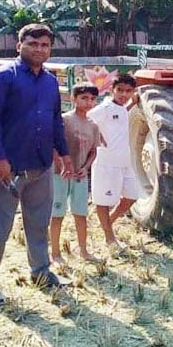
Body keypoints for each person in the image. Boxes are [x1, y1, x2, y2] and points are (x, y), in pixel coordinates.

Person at [0, 23, 73, 306]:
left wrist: (62, 153)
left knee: (39, 223)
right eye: (33, 44)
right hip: (8, 167)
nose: (39, 49)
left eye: (45, 45)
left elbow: (55, 120)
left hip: (40, 166)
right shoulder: (3, 77)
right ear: (19, 46)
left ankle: (40, 271)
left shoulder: (51, 81)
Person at [88, 73, 140, 255]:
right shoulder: (104, 108)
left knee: (133, 196)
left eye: (128, 91)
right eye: (120, 90)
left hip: (124, 162)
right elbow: (86, 118)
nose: (123, 94)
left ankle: (108, 222)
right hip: (105, 163)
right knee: (103, 202)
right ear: (112, 90)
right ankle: (110, 239)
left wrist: (133, 103)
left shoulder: (122, 108)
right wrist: (96, 136)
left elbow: (122, 112)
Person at [50, 83, 102, 263]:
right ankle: (55, 253)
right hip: (60, 175)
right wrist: (62, 164)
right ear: (73, 99)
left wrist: (85, 168)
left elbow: (93, 151)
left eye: (92, 99)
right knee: (57, 214)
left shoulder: (93, 125)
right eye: (84, 98)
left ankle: (84, 251)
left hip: (80, 176)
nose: (88, 103)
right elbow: (53, 146)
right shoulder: (63, 120)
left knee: (81, 214)